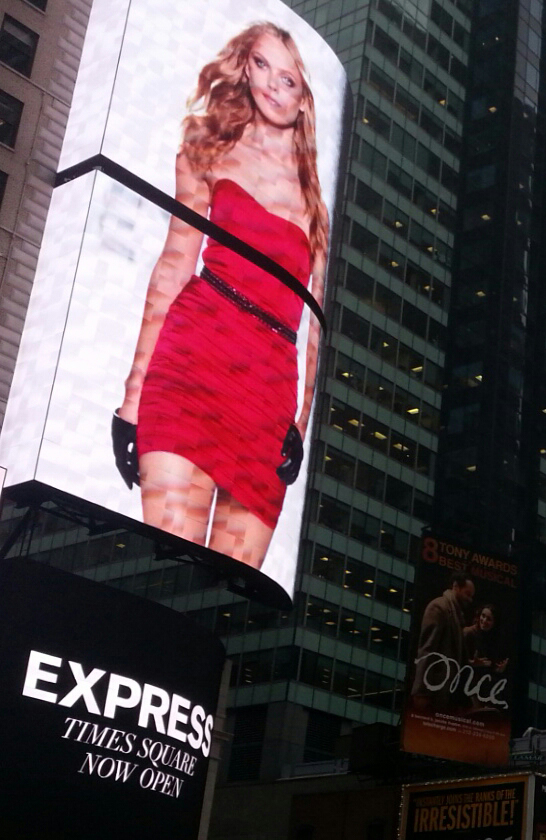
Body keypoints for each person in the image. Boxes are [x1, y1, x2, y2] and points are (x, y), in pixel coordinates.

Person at [111, 22, 327, 569]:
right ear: (244, 68)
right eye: (262, 66)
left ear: (304, 99)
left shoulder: (315, 206)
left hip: (267, 395)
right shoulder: (208, 151)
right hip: (191, 362)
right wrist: (131, 402)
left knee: (224, 592)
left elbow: (315, 327)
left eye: (289, 79)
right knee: (169, 569)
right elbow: (174, 266)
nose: (272, 85)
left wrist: (301, 423)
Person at [411, 572, 474, 710]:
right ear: (456, 586)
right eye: (467, 594)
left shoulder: (456, 614)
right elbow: (427, 650)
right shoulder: (439, 607)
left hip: (445, 694)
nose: (470, 600)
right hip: (433, 693)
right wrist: (421, 692)